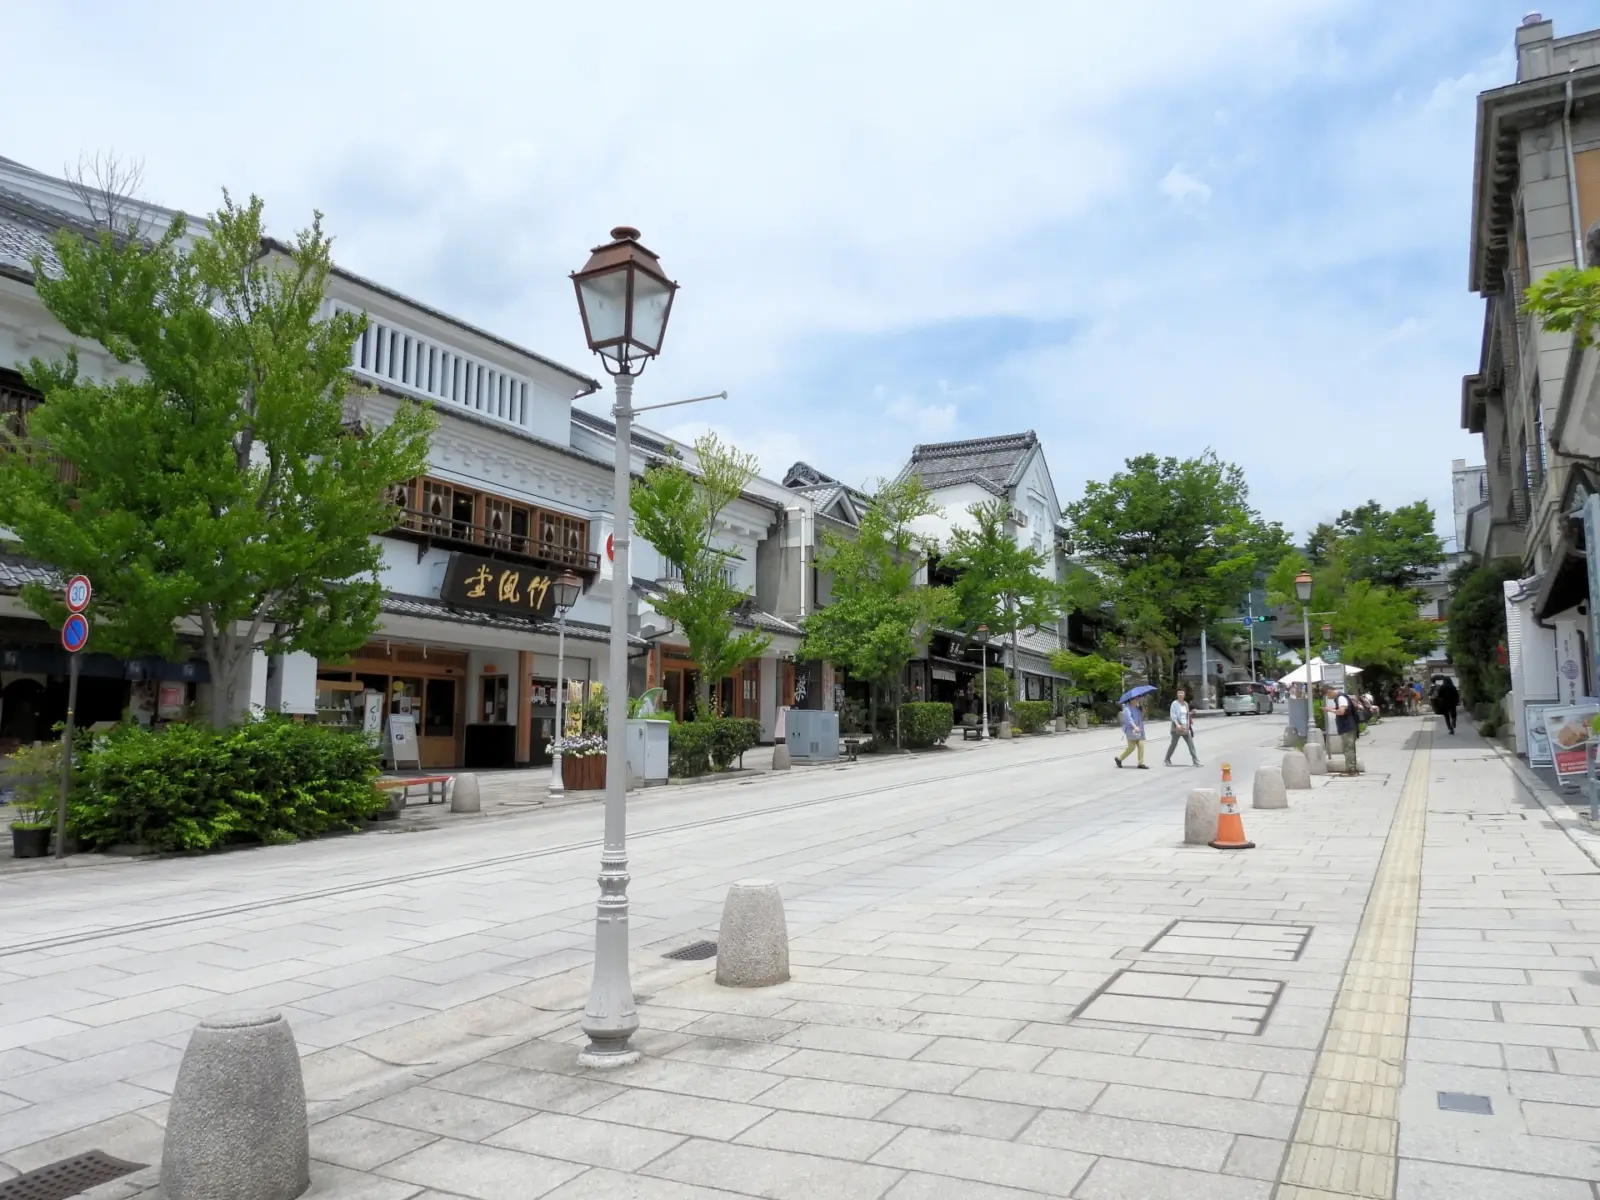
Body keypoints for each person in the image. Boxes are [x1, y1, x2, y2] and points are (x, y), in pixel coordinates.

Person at [1326, 684, 1360, 774]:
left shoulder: (1341, 698)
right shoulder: (1341, 697)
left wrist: (1330, 710)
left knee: (1348, 749)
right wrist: (1332, 709)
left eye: (1327, 695)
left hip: (1347, 726)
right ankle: (1351, 768)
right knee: (1349, 748)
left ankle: (1351, 770)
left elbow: (1341, 712)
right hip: (1348, 725)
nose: (1328, 697)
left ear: (1329, 691)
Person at [1164, 688, 1201, 767]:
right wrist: (1177, 724)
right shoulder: (1174, 703)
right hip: (1176, 727)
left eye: (1182, 693)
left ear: (1184, 694)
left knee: (1191, 744)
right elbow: (1173, 715)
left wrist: (1191, 713)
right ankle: (1167, 759)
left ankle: (1195, 761)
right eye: (1179, 693)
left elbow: (1186, 715)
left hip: (1185, 726)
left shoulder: (1185, 704)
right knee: (1173, 744)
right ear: (1177, 694)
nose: (1180, 694)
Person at [1114, 695, 1148, 769]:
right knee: (1131, 747)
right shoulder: (1127, 709)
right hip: (1131, 730)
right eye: (1135, 699)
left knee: (1141, 744)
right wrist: (1135, 727)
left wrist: (1144, 711)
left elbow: (1141, 717)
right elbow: (1129, 719)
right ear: (1130, 700)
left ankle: (1141, 763)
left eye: (1137, 699)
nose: (1137, 700)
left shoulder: (1138, 708)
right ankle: (1119, 759)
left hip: (1139, 729)